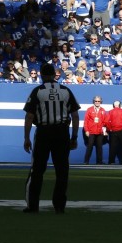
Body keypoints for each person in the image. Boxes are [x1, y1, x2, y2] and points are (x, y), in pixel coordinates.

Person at [22, 62, 80, 213]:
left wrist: (26, 138)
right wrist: (74, 137)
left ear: (41, 75)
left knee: (37, 170)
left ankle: (32, 206)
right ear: (55, 75)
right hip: (61, 132)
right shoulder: (65, 90)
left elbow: (29, 116)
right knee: (62, 170)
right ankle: (59, 206)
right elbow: (75, 115)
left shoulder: (38, 91)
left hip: (44, 132)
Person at [82, 95, 108, 164]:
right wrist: (86, 130)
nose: (97, 102)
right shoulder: (89, 109)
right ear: (93, 101)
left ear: (101, 102)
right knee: (89, 147)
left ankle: (99, 161)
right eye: (96, 101)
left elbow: (105, 122)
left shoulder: (103, 110)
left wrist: (104, 131)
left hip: (100, 132)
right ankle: (86, 161)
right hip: (91, 131)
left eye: (98, 101)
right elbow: (86, 121)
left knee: (99, 147)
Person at [106, 100, 122, 164]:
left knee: (112, 147)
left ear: (114, 105)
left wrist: (109, 129)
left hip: (113, 131)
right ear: (120, 105)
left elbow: (107, 121)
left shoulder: (110, 112)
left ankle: (111, 161)